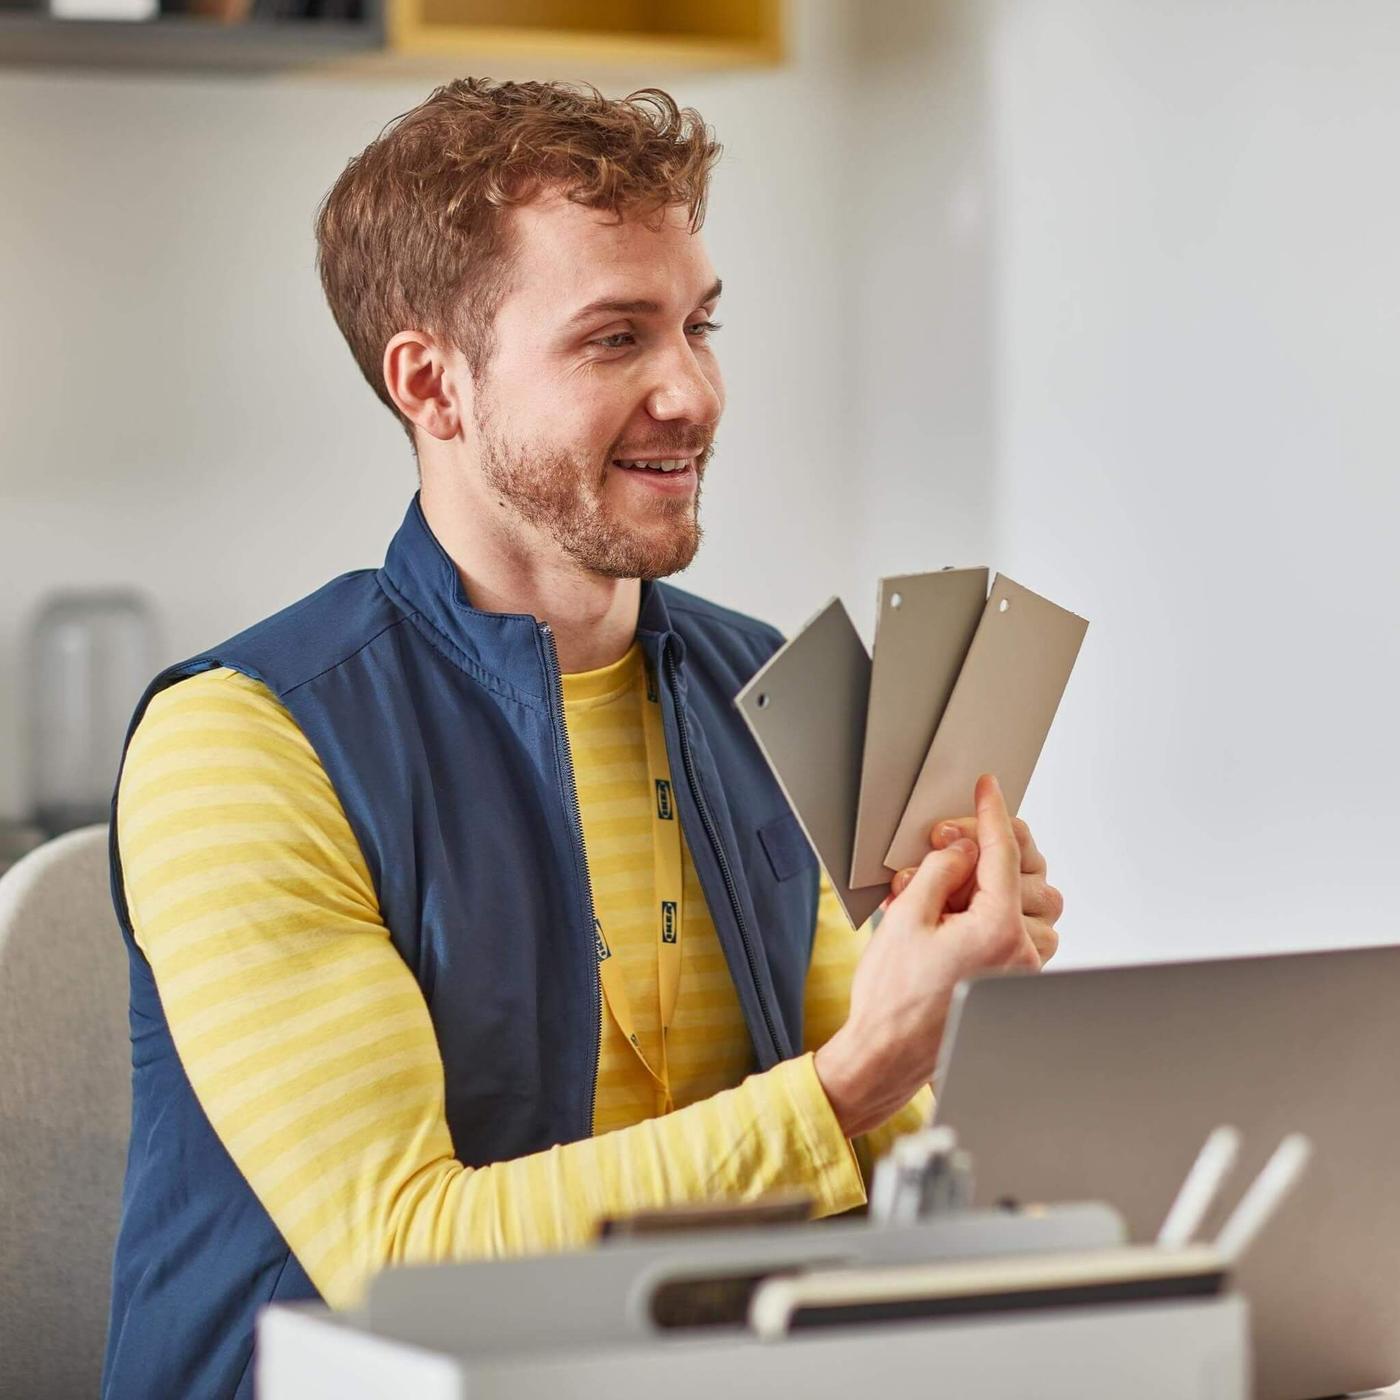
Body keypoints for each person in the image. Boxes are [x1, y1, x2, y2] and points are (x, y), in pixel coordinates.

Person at [100, 79, 1064, 1399]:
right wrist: (851, 1077)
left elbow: (891, 1188)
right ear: (432, 384)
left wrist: (955, 1005)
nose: (693, 391)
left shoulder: (776, 688)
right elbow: (402, 1259)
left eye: (698, 325)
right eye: (616, 338)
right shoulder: (242, 745)